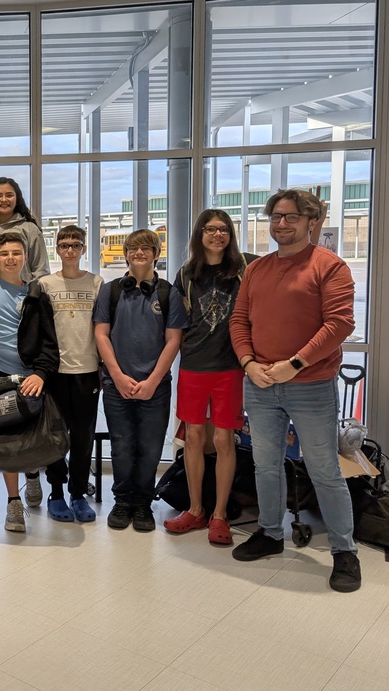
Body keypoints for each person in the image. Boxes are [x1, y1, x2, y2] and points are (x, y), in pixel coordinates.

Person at [230, 189, 361, 592]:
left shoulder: (330, 266)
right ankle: (270, 534)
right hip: (262, 384)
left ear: (310, 222)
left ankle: (344, 551)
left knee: (324, 470)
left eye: (290, 217)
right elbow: (239, 321)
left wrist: (295, 364)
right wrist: (251, 364)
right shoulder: (257, 269)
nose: (281, 224)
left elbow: (339, 324)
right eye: (275, 217)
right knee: (265, 466)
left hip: (310, 384)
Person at [164, 210, 256, 545]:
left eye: (224, 230)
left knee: (222, 440)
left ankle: (219, 515)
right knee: (193, 438)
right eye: (210, 229)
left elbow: (285, 261)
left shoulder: (246, 268)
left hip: (230, 368)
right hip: (193, 366)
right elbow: (174, 321)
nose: (217, 235)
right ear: (199, 234)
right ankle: (195, 509)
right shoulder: (187, 273)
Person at [93, 228, 186, 533]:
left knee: (149, 445)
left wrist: (152, 381)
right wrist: (117, 376)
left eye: (147, 248)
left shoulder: (167, 292)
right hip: (116, 384)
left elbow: (173, 341)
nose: (139, 253)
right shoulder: (111, 290)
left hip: (155, 385)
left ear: (156, 254)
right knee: (121, 445)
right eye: (133, 248)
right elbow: (101, 335)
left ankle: (143, 502)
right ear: (126, 254)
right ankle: (122, 500)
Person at [0, 233, 59, 533]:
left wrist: (41, 374)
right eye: (4, 253)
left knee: (29, 439)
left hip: (28, 377)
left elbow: (49, 341)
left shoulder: (36, 294)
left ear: (24, 257)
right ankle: (13, 502)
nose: (10, 258)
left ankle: (32, 474)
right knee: (7, 444)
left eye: (16, 253)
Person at [37, 225, 103, 524]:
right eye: (64, 245)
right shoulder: (45, 285)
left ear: (83, 249)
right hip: (55, 373)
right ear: (57, 249)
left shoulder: (97, 283)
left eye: (76, 245)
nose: (70, 250)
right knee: (55, 436)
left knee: (82, 436)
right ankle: (56, 492)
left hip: (87, 371)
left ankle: (77, 493)